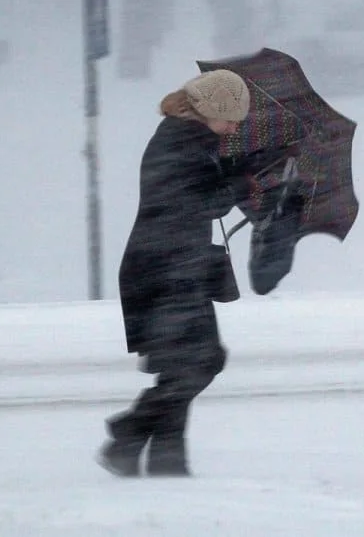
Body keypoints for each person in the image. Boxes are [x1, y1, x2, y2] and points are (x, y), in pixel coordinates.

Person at [98, 69, 254, 478]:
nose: (236, 125)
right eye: (232, 117)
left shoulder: (185, 140)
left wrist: (232, 170)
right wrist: (238, 180)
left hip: (169, 265)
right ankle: (128, 433)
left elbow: (203, 194)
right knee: (202, 361)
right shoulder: (181, 144)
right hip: (166, 269)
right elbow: (206, 201)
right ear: (211, 110)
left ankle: (166, 465)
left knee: (181, 367)